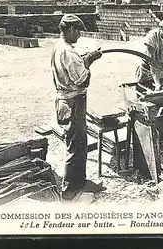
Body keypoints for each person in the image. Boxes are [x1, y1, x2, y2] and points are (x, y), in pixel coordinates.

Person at [51, 14, 103, 200]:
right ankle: (70, 189)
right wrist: (90, 60)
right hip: (74, 102)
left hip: (64, 101)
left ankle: (79, 181)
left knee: (78, 143)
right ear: (71, 29)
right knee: (76, 146)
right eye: (78, 31)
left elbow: (71, 69)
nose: (79, 35)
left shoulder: (59, 48)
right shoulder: (68, 52)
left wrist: (84, 59)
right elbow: (82, 81)